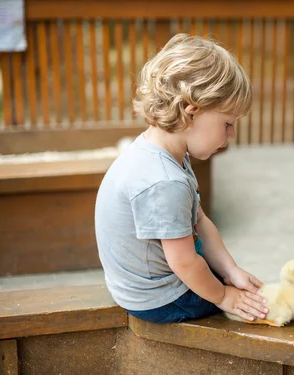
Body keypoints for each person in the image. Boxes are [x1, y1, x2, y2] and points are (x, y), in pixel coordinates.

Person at [95, 34, 268, 325]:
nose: (230, 137)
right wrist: (225, 296)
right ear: (192, 111)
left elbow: (199, 219)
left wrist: (229, 270)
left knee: (230, 282)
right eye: (227, 124)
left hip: (137, 285)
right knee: (250, 306)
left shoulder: (160, 151)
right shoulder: (164, 183)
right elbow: (185, 263)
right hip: (157, 299)